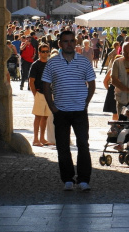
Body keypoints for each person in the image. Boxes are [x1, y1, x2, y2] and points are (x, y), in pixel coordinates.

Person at [42, 30, 96, 191]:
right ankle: (67, 178)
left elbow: (91, 83)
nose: (69, 44)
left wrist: (86, 102)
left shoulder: (84, 62)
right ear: (60, 44)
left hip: (79, 110)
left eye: (72, 41)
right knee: (62, 146)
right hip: (61, 111)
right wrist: (51, 106)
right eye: (66, 41)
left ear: (75, 43)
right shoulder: (52, 63)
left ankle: (84, 179)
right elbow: (45, 85)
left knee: (83, 144)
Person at [29, 43, 53, 147]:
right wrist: (35, 93)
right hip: (39, 92)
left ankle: (42, 138)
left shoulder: (50, 64)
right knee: (38, 116)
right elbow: (31, 81)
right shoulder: (35, 65)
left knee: (45, 117)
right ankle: (35, 139)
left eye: (47, 51)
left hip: (49, 93)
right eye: (43, 51)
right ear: (39, 53)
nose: (45, 53)